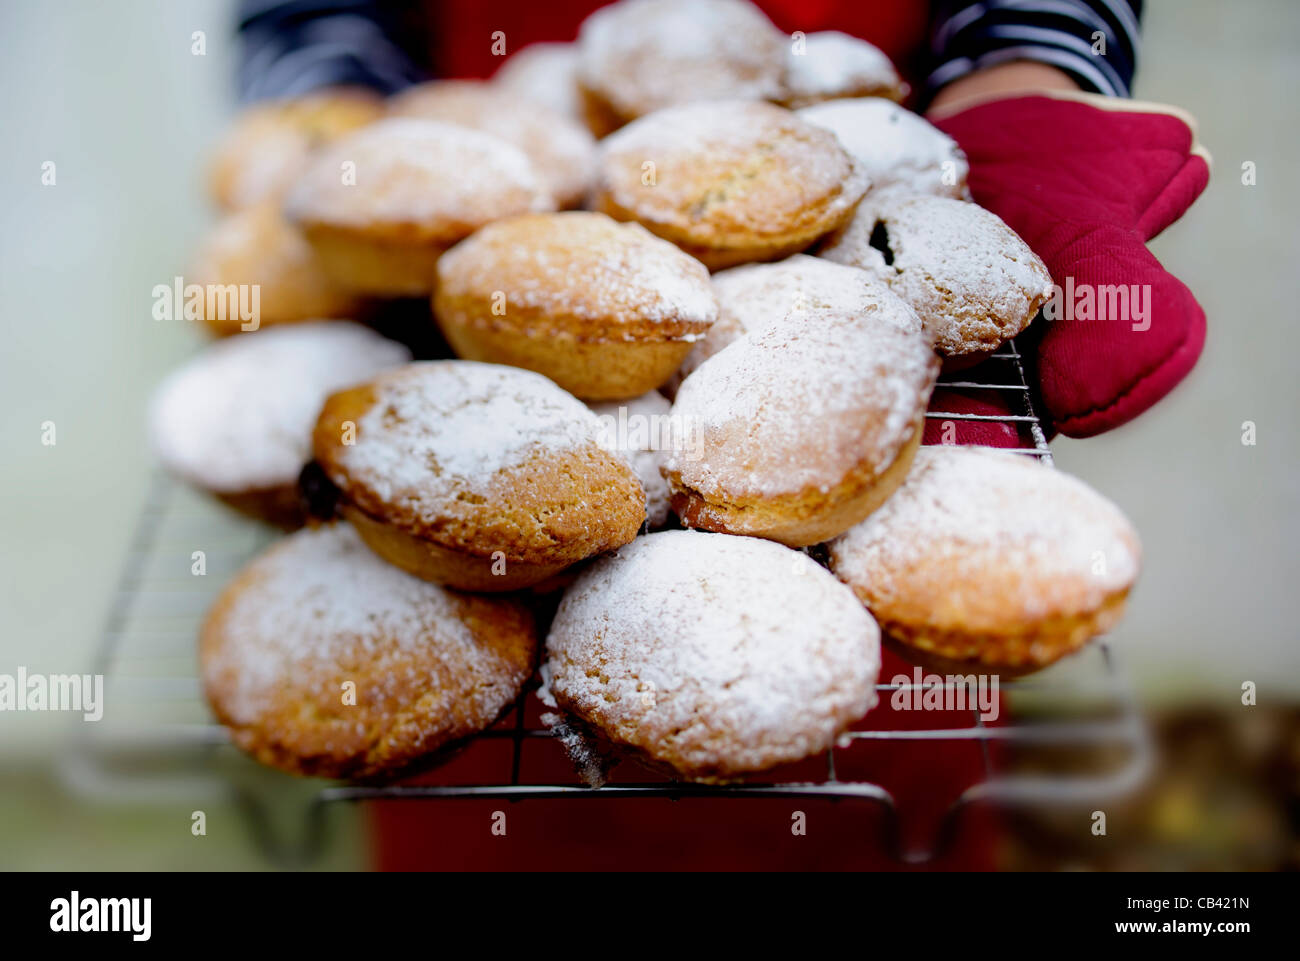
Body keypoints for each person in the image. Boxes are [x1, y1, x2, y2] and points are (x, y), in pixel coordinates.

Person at [229, 0, 1208, 869]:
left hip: (878, 324)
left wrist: (1020, 83)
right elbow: (312, 21)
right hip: (470, 311)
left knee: (877, 782)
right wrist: (344, 133)